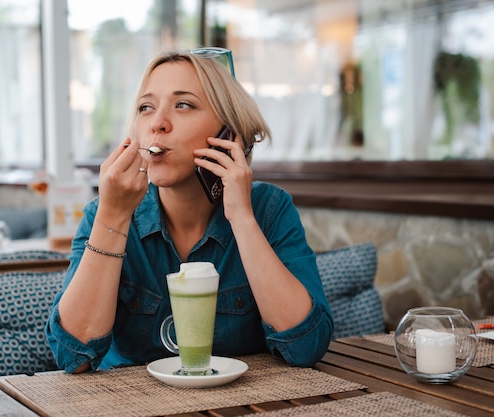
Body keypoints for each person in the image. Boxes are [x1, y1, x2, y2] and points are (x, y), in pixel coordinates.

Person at [46, 48, 333, 373]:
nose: (158, 123)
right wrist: (112, 217)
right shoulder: (104, 212)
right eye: (146, 107)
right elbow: (73, 356)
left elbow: (305, 346)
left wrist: (242, 217)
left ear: (229, 132)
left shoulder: (269, 209)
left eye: (183, 104)